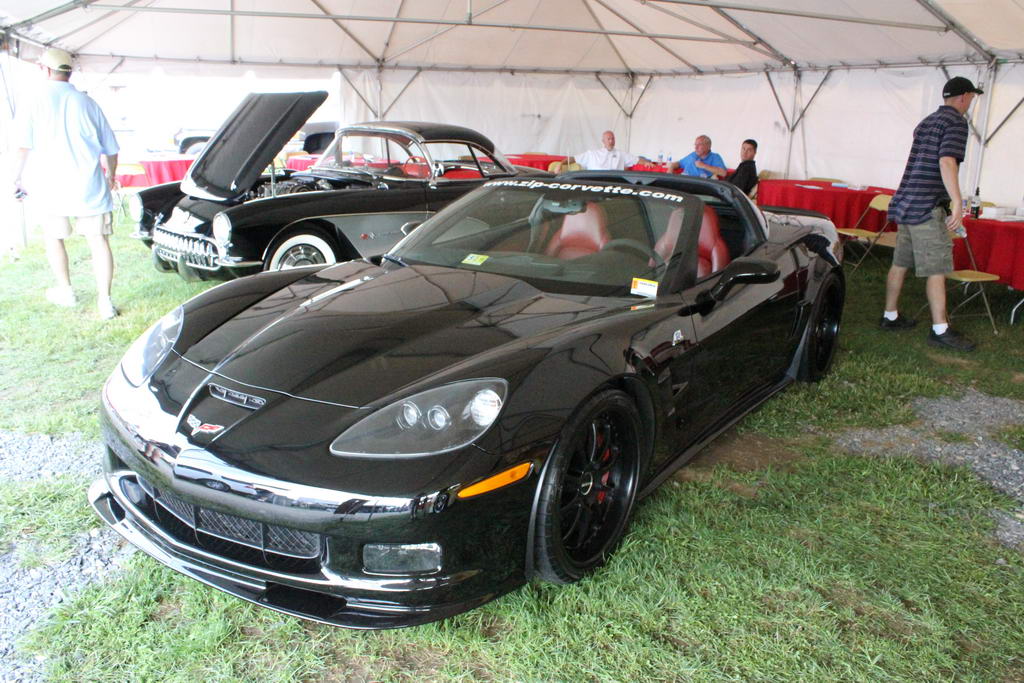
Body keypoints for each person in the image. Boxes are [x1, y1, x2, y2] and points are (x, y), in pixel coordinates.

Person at [12, 47, 121, 320]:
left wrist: (16, 177)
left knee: (54, 238)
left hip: (50, 184)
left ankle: (66, 290)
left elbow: (23, 147)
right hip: (89, 182)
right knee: (99, 241)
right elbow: (111, 148)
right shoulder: (88, 103)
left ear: (45, 70)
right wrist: (111, 175)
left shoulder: (33, 101)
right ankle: (105, 301)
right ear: (68, 72)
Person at [880, 75, 983, 351]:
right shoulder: (956, 123)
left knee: (900, 262)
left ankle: (890, 316)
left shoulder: (926, 122)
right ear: (963, 97)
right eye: (972, 98)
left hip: (906, 202)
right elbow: (947, 160)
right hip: (926, 206)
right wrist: (957, 201)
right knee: (937, 268)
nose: (971, 102)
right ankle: (940, 329)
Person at [570, 130, 648, 170]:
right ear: (603, 141)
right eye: (608, 139)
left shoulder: (621, 154)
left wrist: (646, 163)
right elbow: (574, 159)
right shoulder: (592, 154)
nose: (611, 141)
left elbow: (637, 160)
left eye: (613, 139)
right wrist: (561, 164)